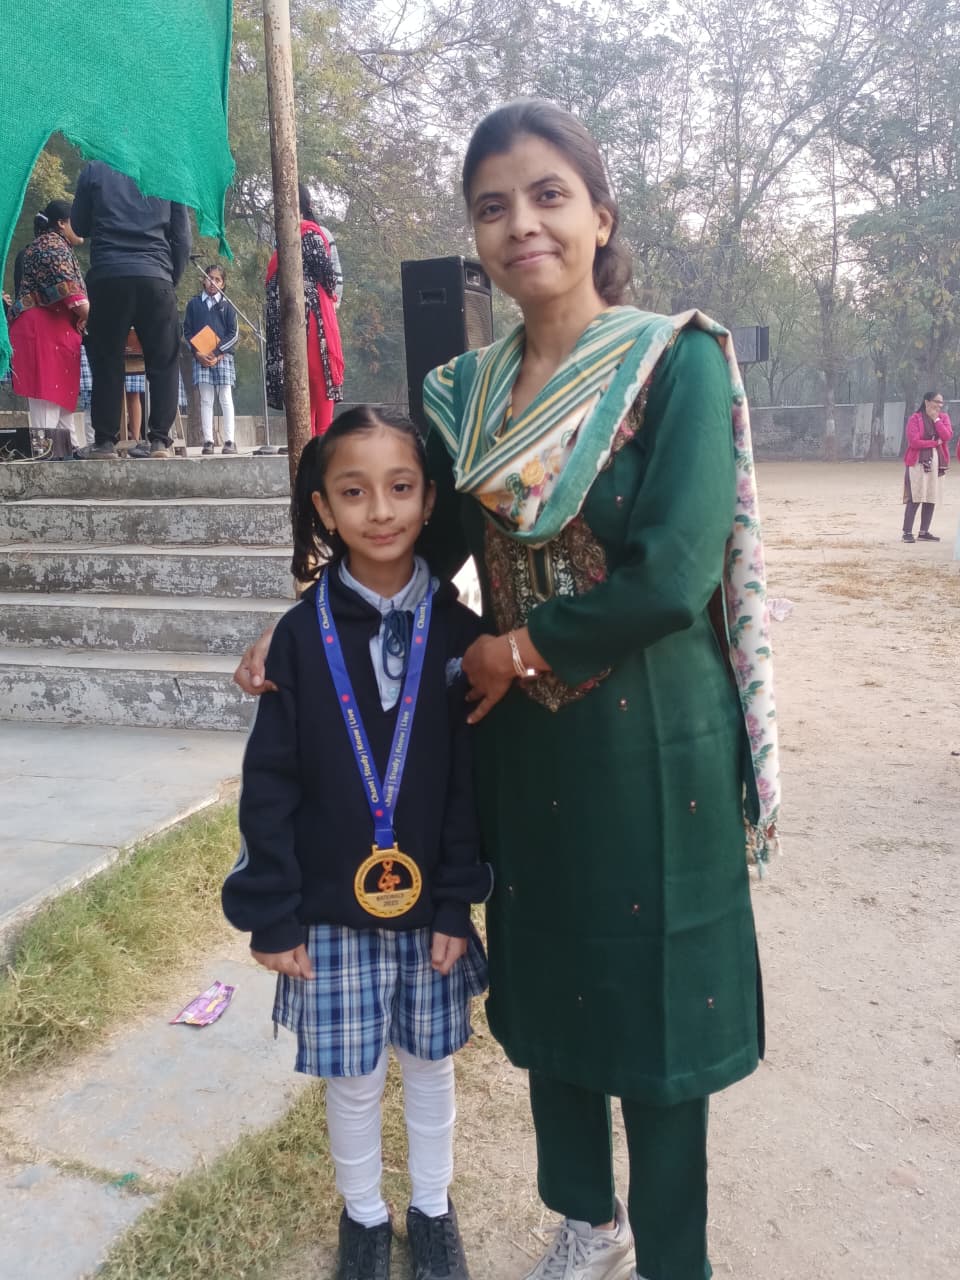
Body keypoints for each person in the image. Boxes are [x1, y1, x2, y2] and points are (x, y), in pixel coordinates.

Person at [236, 100, 781, 1280]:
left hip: (653, 741)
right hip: (523, 749)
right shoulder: (467, 397)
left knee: (655, 997)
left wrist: (514, 650)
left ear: (601, 217)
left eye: (547, 195)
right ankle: (587, 1217)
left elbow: (674, 574)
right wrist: (301, 630)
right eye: (493, 207)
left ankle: (672, 1253)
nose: (521, 223)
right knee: (553, 979)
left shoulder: (672, 359)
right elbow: (412, 549)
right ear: (476, 237)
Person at [222, 406, 491, 1280]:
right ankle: (366, 1218)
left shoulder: (463, 638)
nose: (380, 510)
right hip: (329, 915)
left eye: (400, 487)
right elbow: (270, 786)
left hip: (430, 913)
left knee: (431, 1065)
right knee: (354, 1079)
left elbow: (466, 788)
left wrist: (454, 900)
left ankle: (434, 1208)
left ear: (430, 499)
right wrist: (273, 914)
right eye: (353, 492)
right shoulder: (297, 641)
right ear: (323, 508)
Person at [70, 159, 191, 459]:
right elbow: (182, 237)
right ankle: (160, 440)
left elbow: (79, 225)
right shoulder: (168, 170)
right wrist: (169, 277)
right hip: (156, 274)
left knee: (107, 359)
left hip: (109, 274)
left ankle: (104, 442)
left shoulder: (95, 168)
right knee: (163, 360)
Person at [8, 200, 89, 459]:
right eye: (77, 221)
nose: (83, 227)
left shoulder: (52, 245)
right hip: (41, 331)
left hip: (53, 329)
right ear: (62, 223)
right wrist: (105, 323)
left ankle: (68, 451)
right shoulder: (52, 248)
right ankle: (47, 456)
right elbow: (74, 297)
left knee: (60, 399)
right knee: (47, 397)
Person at [265, 184, 344, 435]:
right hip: (307, 322)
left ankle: (311, 446)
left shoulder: (298, 236)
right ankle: (317, 446)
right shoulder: (306, 235)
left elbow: (329, 279)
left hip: (298, 321)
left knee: (306, 389)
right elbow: (329, 279)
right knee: (315, 386)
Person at [183, 263, 239, 454]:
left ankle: (230, 441)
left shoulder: (227, 305)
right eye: (209, 278)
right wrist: (197, 353)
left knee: (225, 397)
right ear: (203, 279)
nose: (212, 282)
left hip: (223, 357)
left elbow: (233, 333)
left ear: (223, 284)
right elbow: (187, 331)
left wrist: (218, 352)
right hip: (201, 357)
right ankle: (208, 441)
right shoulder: (194, 304)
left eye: (217, 279)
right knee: (206, 399)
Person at [901, 391, 952, 542]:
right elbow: (914, 442)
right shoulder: (915, 418)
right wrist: (934, 443)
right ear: (927, 402)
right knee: (915, 496)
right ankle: (907, 532)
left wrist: (936, 419)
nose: (939, 405)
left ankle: (924, 531)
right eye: (936, 401)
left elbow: (947, 436)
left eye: (941, 402)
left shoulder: (943, 418)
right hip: (917, 462)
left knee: (931, 496)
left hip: (937, 462)